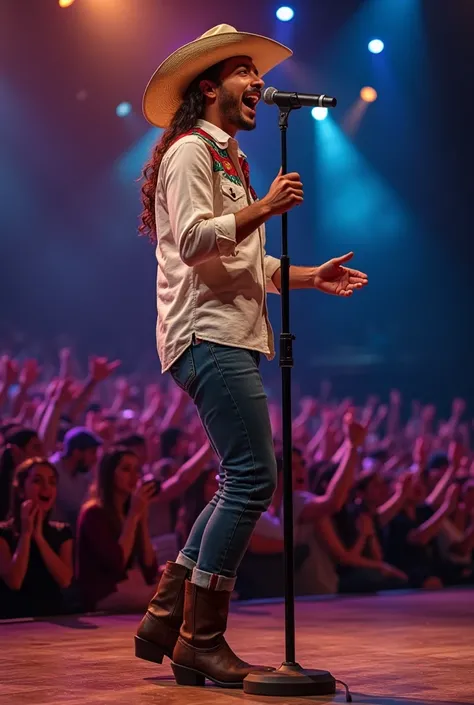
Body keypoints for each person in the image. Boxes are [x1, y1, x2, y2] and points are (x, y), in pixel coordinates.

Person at [134, 24, 368, 688]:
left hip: (228, 329)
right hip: (206, 332)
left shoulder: (230, 159)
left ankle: (167, 613)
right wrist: (264, 206)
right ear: (209, 88)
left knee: (238, 479)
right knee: (253, 479)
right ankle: (200, 638)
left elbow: (244, 260)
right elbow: (193, 244)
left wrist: (308, 273)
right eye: (245, 73)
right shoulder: (189, 153)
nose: (260, 85)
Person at [76, 447, 158, 612]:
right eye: (126, 469)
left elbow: (150, 569)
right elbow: (117, 562)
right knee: (166, 597)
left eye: (137, 470)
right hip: (104, 594)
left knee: (182, 580)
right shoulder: (93, 513)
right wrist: (134, 516)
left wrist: (141, 520)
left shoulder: (130, 510)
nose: (135, 476)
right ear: (109, 474)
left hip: (132, 586)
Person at [0, 458, 73, 618]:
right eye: (37, 481)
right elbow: (14, 581)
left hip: (53, 618)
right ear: (20, 490)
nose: (46, 487)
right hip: (13, 622)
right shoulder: (3, 534)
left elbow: (65, 579)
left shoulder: (62, 532)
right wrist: (26, 534)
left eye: (52, 482)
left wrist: (39, 538)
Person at [50, 427, 102, 533]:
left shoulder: (83, 474)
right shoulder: (51, 470)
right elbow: (74, 506)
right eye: (92, 452)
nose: (95, 458)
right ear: (77, 452)